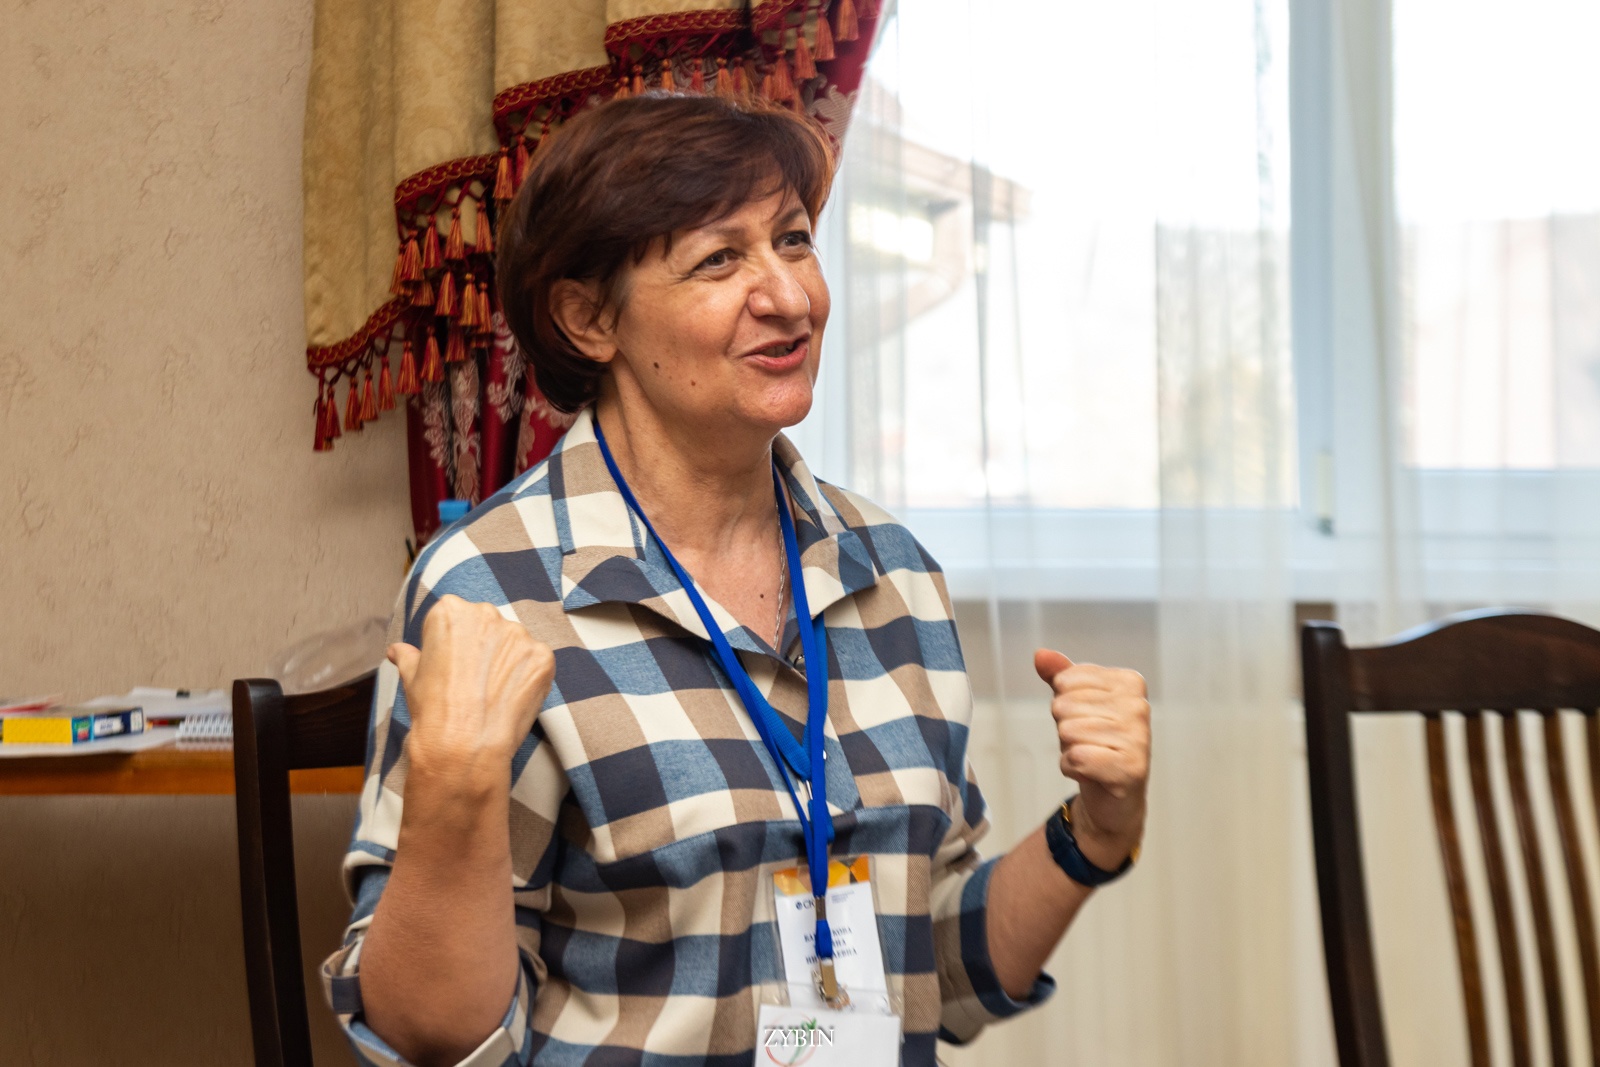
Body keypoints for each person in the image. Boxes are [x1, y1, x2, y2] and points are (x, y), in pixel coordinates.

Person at [322, 92, 1151, 1067]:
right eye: (720, 259)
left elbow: (937, 966)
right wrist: (453, 791)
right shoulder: (490, 592)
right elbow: (430, 1037)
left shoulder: (893, 572)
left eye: (794, 241)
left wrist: (1095, 831)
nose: (790, 297)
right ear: (589, 317)